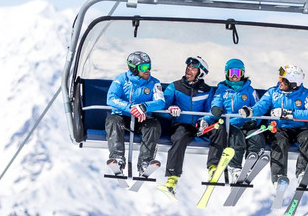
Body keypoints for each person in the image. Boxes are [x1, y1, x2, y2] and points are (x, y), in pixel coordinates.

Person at [240, 64, 308, 193]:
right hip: (279, 128)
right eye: (280, 79)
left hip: (299, 128)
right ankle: (278, 177)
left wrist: (289, 113)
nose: (279, 82)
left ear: (293, 83)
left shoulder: (306, 94)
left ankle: (302, 172)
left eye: (283, 80)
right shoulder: (273, 92)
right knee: (279, 142)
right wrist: (251, 111)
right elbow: (262, 106)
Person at [158, 55, 218, 195]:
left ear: (200, 73)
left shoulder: (207, 90)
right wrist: (170, 112)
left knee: (218, 130)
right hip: (182, 124)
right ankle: (172, 179)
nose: (189, 70)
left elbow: (211, 111)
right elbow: (160, 109)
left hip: (200, 125)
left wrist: (205, 120)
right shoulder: (175, 86)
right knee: (179, 138)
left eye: (193, 69)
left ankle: (214, 167)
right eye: (188, 67)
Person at [105, 51, 165, 177]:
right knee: (113, 120)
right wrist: (130, 108)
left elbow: (160, 102)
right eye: (143, 67)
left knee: (153, 125)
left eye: (149, 66)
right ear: (134, 68)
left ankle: (145, 162)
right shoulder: (121, 80)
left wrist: (144, 107)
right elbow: (111, 98)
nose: (147, 70)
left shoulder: (154, 82)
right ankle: (118, 159)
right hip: (122, 117)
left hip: (141, 119)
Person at [201, 58, 259, 176]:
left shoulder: (249, 90)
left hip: (246, 124)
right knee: (236, 136)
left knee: (257, 137)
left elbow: (258, 107)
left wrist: (254, 120)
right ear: (226, 74)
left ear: (242, 74)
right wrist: (215, 109)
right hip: (230, 124)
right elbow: (216, 101)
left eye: (237, 73)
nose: (234, 76)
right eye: (230, 73)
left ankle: (250, 163)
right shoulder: (222, 90)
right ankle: (235, 167)